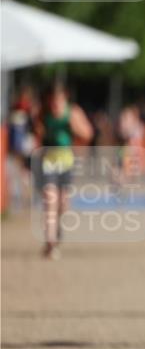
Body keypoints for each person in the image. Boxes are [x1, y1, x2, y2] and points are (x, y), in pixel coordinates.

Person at [34, 82, 93, 259]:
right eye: (52, 100)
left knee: (63, 204)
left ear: (65, 98)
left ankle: (55, 230)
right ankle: (51, 242)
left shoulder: (73, 112)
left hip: (67, 161)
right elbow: (37, 136)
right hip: (48, 162)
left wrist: (75, 128)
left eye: (58, 99)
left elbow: (88, 133)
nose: (55, 103)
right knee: (50, 200)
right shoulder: (43, 113)